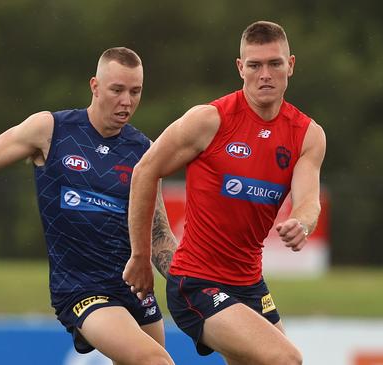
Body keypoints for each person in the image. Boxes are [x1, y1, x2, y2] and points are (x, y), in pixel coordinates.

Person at [0, 47, 177, 365]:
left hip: (135, 287)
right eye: (117, 90)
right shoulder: (50, 130)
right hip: (83, 289)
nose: (127, 101)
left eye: (135, 91)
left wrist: (189, 279)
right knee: (157, 362)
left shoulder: (144, 150)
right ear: (95, 86)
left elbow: (159, 233)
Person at [124, 21, 326, 365]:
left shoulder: (307, 134)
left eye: (274, 64)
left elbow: (308, 201)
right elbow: (145, 171)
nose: (265, 74)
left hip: (250, 284)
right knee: (285, 358)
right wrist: (142, 256)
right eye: (255, 65)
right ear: (240, 68)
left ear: (290, 65)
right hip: (197, 283)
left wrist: (302, 223)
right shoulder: (209, 120)